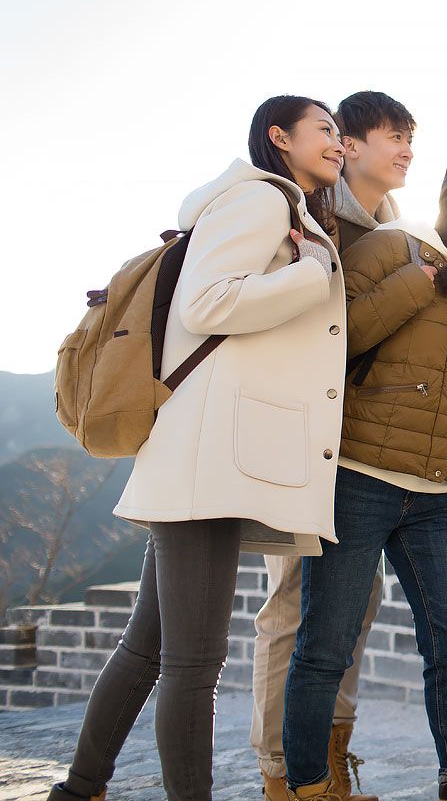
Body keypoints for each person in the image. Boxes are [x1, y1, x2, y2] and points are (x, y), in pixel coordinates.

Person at [47, 95, 349, 801]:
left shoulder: (278, 208)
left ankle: (79, 787)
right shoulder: (260, 201)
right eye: (325, 130)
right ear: (280, 137)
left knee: (149, 647)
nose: (338, 142)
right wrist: (311, 273)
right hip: (209, 457)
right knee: (192, 661)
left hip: (207, 453)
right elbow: (207, 305)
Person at [281, 156, 447, 801]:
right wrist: (421, 279)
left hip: (435, 487)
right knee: (325, 645)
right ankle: (306, 786)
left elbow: (441, 370)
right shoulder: (393, 245)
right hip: (358, 475)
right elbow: (340, 333)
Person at [250, 90, 416, 801]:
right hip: (296, 433)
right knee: (292, 604)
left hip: (359, 444)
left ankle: (327, 758)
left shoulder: (395, 225)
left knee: (358, 599)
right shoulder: (306, 211)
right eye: (395, 135)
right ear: (348, 144)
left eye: (412, 136)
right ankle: (281, 774)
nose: (408, 148)